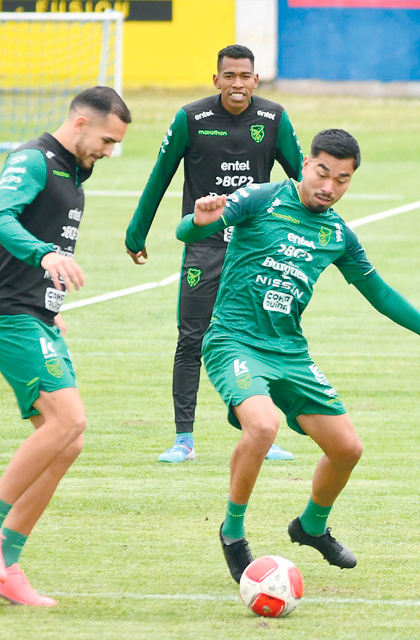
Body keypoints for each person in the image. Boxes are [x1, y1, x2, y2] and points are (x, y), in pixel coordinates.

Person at [176, 129, 420, 582]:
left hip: (290, 351)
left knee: (347, 449)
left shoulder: (337, 233)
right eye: (322, 173)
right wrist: (200, 220)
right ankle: (233, 533)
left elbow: (379, 293)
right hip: (233, 341)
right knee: (262, 426)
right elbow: (186, 231)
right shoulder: (260, 199)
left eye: (342, 179)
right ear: (304, 165)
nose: (329, 187)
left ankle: (311, 526)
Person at [0, 87, 130, 606]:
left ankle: (4, 567)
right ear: (80, 123)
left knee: (67, 442)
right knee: (68, 422)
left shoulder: (76, 171)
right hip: (7, 316)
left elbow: (51, 235)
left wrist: (51, 301)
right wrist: (44, 257)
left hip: (37, 316)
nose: (108, 151)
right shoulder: (32, 159)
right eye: (105, 139)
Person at [125, 44, 304, 463]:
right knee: (192, 338)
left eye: (245, 76)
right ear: (216, 79)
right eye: (229, 76)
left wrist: (301, 236)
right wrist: (137, 233)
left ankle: (261, 431)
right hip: (202, 247)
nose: (237, 85)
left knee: (259, 340)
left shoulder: (274, 118)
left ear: (255, 80)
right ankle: (183, 439)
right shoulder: (191, 118)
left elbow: (302, 180)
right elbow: (159, 176)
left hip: (254, 251)